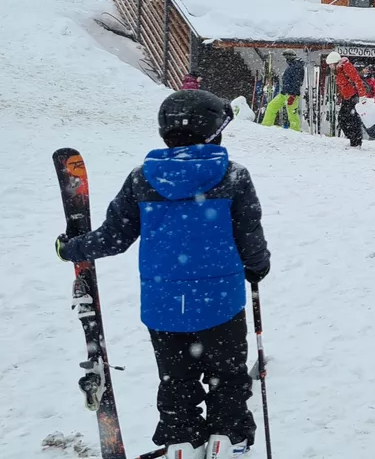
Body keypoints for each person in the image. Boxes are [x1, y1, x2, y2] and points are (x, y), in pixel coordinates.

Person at [54, 90, 270, 458]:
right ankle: (228, 437)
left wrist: (72, 248)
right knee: (228, 378)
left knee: (177, 380)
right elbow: (249, 233)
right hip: (222, 301)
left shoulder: (143, 179)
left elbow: (114, 237)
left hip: (164, 305)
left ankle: (182, 439)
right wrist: (257, 266)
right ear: (214, 131)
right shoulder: (233, 176)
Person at [327, 52, 368, 147]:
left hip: (353, 97)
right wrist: (340, 97)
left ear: (335, 62)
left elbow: (357, 80)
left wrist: (362, 95)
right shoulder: (338, 70)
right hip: (347, 98)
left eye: (330, 64)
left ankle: (355, 140)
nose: (329, 67)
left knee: (348, 120)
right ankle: (354, 140)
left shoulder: (346, 67)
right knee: (347, 120)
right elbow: (343, 86)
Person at [260, 50, 304, 132]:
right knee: (271, 106)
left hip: (291, 94)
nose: (286, 59)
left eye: (286, 57)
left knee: (292, 113)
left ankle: (296, 131)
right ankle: (266, 126)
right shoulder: (291, 66)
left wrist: (293, 96)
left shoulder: (297, 67)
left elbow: (297, 82)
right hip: (284, 93)